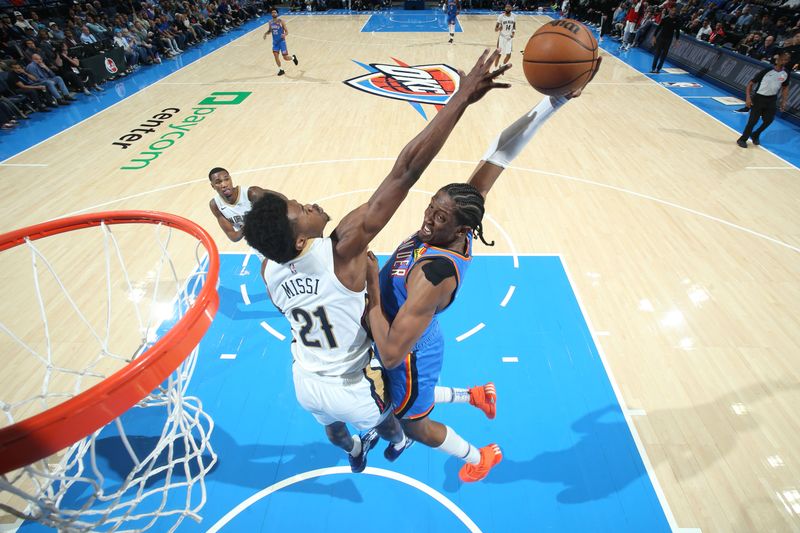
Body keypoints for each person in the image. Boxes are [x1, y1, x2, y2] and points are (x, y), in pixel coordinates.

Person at [242, 49, 511, 473]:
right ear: (298, 240)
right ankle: (404, 442)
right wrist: (458, 98)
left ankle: (353, 450)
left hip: (305, 378)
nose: (310, 204)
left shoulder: (267, 268)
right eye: (302, 210)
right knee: (398, 420)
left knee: (336, 430)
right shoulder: (344, 250)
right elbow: (405, 171)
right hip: (351, 383)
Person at [365, 59, 603, 483]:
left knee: (414, 422)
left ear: (462, 228)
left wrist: (368, 294)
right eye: (431, 207)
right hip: (410, 328)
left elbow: (391, 353)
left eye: (439, 216)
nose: (428, 219)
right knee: (403, 400)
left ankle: (479, 456)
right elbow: (500, 151)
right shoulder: (454, 222)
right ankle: (476, 395)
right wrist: (554, 103)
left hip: (408, 347)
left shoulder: (434, 273)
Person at [736, 51, 791, 148]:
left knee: (769, 120)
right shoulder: (768, 70)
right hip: (759, 98)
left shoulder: (785, 73)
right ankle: (742, 139)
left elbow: (785, 87)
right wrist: (748, 98)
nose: (783, 62)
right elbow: (750, 83)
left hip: (772, 99)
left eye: (786, 60)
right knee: (753, 121)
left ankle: (756, 134)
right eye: (782, 59)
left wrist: (784, 101)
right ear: (777, 59)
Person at [208, 167, 270, 242]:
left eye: (226, 179)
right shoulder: (215, 205)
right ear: (213, 186)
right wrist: (249, 224)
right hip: (255, 241)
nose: (224, 185)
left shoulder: (252, 193)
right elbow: (233, 236)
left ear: (230, 179)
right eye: (218, 182)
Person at [263, 9, 298, 76]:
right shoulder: (270, 22)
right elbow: (270, 31)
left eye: (275, 12)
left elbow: (287, 31)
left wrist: (284, 34)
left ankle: (293, 58)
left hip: (282, 42)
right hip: (275, 43)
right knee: (275, 56)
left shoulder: (281, 21)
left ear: (277, 13)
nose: (273, 13)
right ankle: (281, 70)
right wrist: (265, 34)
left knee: (285, 58)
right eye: (272, 12)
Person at [650, 7, 680, 73]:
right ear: (670, 11)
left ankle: (658, 69)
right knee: (657, 54)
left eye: (675, 10)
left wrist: (677, 40)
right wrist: (654, 37)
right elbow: (659, 27)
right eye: (672, 10)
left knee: (664, 55)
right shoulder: (665, 18)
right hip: (661, 38)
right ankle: (653, 68)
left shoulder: (677, 20)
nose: (674, 12)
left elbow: (677, 31)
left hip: (669, 39)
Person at [494, 4, 516, 68]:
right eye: (506, 7)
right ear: (505, 8)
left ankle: (502, 65)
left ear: (511, 8)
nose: (507, 8)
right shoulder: (501, 16)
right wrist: (499, 28)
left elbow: (514, 26)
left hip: (509, 38)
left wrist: (513, 32)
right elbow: (495, 29)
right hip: (502, 37)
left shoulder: (514, 16)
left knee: (509, 55)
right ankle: (495, 69)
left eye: (509, 7)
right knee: (499, 55)